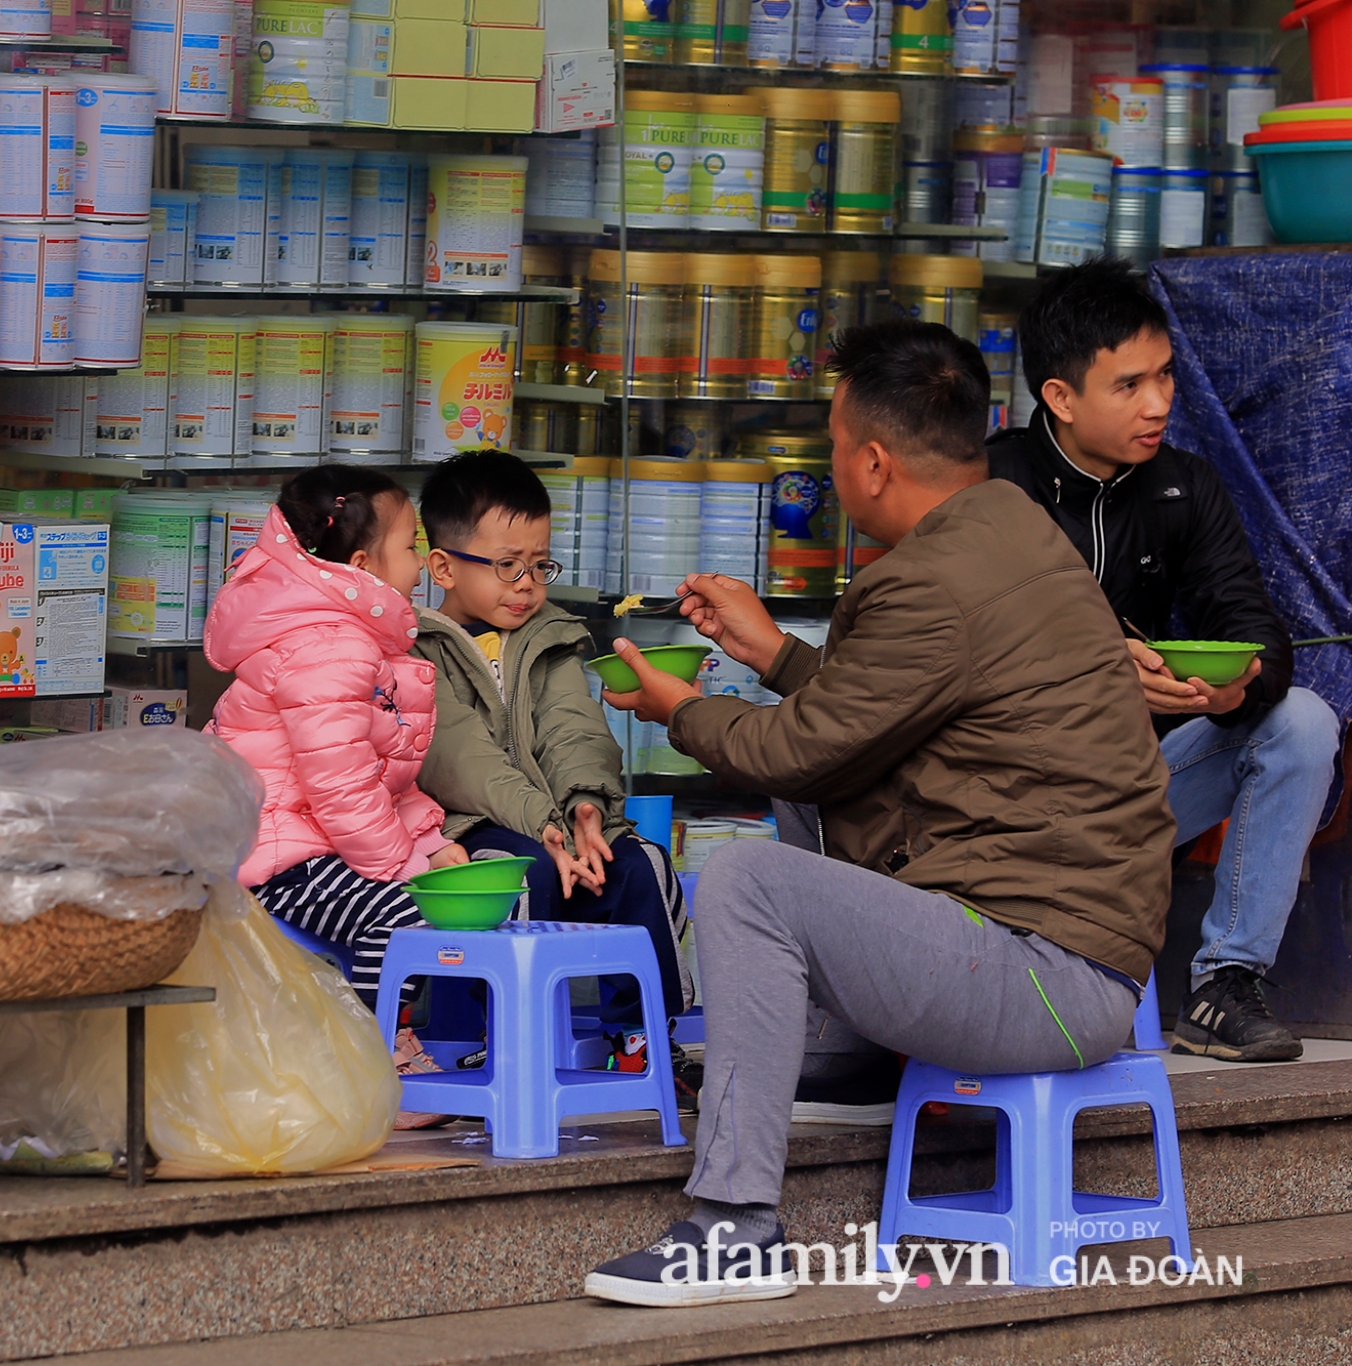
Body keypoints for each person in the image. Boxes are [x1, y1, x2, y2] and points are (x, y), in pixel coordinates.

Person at [580, 319, 1173, 1307]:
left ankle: (733, 1229)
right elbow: (870, 710)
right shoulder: (1010, 526)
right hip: (1065, 954)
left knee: (742, 877)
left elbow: (802, 746)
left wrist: (680, 707)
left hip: (1042, 980)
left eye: (829, 449)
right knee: (802, 770)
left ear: (867, 460)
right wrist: (771, 655)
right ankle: (850, 1061)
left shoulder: (930, 581)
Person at [989, 258, 1338, 1063]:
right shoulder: (994, 486)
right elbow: (956, 658)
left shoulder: (1184, 485)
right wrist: (1099, 664)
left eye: (1167, 375)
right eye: (1129, 386)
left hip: (1134, 795)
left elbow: (1257, 627)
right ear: (1060, 397)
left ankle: (1223, 984)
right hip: (1007, 809)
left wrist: (1236, 691)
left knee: (1302, 722)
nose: (1160, 404)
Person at [202, 466, 468, 1127]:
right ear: (360, 565)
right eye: (410, 547)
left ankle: (375, 1039)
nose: (420, 562)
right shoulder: (330, 649)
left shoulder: (360, 644)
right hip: (274, 858)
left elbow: (381, 779)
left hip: (320, 841)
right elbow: (341, 788)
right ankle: (371, 1060)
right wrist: (408, 868)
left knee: (445, 893)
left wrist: (433, 842)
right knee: (402, 914)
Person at [410, 451, 690, 1076]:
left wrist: (588, 808)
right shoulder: (413, 646)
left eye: (539, 565)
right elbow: (459, 759)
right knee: (518, 872)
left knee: (640, 863)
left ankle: (640, 1040)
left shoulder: (554, 637)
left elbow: (574, 730)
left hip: (558, 818)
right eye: (507, 567)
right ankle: (499, 1039)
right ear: (443, 567)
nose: (528, 584)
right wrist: (545, 824)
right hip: (464, 828)